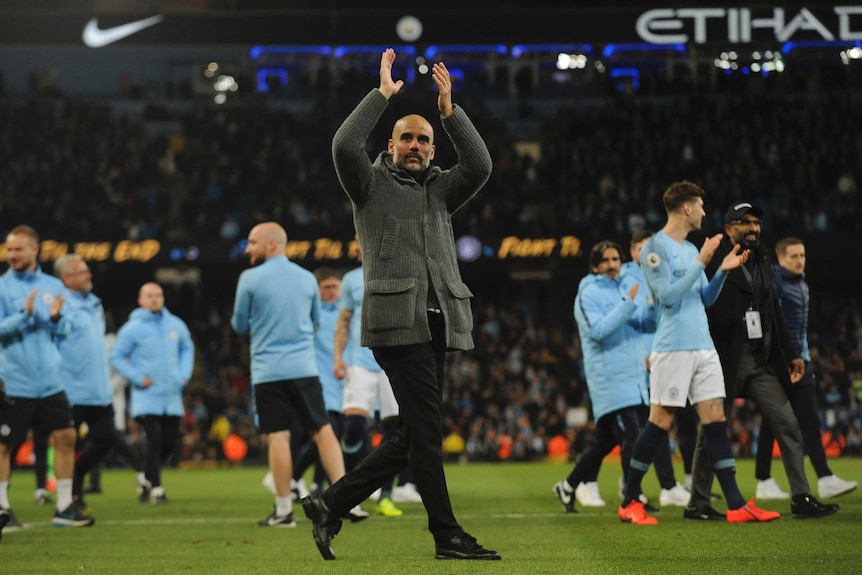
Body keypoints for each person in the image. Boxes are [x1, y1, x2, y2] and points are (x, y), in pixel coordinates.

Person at [301, 48, 499, 561]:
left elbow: (481, 164)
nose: (415, 145)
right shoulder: (369, 184)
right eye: (406, 138)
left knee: (413, 437)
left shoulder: (440, 189)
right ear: (390, 144)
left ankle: (329, 503)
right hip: (396, 325)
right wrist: (382, 95)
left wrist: (450, 113)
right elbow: (344, 144)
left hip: (437, 324)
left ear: (433, 149)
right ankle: (447, 535)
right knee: (426, 438)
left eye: (423, 139)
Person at [618, 181, 780, 525]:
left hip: (703, 346)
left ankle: (736, 505)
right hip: (673, 348)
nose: (706, 212)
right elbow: (667, 297)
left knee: (716, 421)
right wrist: (704, 260)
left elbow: (704, 298)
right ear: (687, 208)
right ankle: (630, 500)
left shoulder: (692, 249)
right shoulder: (655, 248)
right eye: (702, 206)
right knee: (660, 422)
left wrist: (721, 270)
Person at [686, 201, 839, 520]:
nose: (753, 228)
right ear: (729, 230)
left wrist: (792, 352)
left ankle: (801, 496)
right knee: (712, 430)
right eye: (745, 223)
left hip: (758, 361)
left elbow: (772, 311)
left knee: (786, 420)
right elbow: (705, 308)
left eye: (756, 222)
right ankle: (698, 501)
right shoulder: (715, 261)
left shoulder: (763, 259)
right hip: (723, 360)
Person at [232, 222, 347, 528]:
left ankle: (284, 511)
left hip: (268, 372)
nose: (248, 248)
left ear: (271, 245)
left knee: (279, 438)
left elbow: (239, 325)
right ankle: (348, 500)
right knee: (323, 431)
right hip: (305, 369)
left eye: (253, 242)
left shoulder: (249, 278)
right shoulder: (307, 279)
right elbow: (315, 322)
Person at [552, 240, 661, 513]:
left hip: (634, 377)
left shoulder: (626, 287)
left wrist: (649, 307)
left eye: (616, 259)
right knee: (633, 438)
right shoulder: (587, 294)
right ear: (595, 265)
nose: (613, 265)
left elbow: (644, 325)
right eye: (607, 260)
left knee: (605, 442)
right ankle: (632, 497)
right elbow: (599, 331)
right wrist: (628, 304)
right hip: (610, 378)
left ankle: (568, 486)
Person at [0, 225, 94, 527]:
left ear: (34, 250)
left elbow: (65, 330)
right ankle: (2, 508)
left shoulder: (54, 286)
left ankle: (65, 506)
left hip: (51, 381)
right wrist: (25, 316)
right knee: (4, 446)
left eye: (17, 249)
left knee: (66, 437)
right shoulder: (2, 287)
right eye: (9, 249)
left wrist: (55, 318)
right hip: (16, 380)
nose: (11, 255)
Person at [754, 237, 857, 500]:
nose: (800, 260)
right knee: (807, 420)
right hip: (786, 364)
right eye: (793, 256)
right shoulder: (775, 286)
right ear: (780, 259)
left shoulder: (801, 285)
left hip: (800, 359)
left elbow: (799, 329)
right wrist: (784, 360)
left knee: (773, 422)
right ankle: (823, 477)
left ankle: (764, 480)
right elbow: (772, 326)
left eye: (802, 255)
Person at [334, 240, 422, 517]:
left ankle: (384, 494)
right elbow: (344, 321)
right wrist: (338, 357)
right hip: (360, 362)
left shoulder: (394, 273)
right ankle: (355, 488)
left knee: (395, 429)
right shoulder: (349, 280)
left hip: (391, 362)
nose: (361, 250)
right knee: (353, 427)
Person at [54, 254, 145, 512]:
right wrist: (55, 318)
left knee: (105, 439)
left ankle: (78, 478)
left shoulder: (94, 304)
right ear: (67, 279)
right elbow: (57, 335)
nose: (89, 275)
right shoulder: (61, 304)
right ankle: (66, 497)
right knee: (66, 444)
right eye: (82, 272)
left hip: (98, 391)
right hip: (71, 390)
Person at [619, 231, 691, 508]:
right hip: (638, 362)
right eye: (640, 247)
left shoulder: (660, 273)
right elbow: (637, 319)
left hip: (659, 357)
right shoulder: (627, 278)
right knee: (642, 427)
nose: (646, 251)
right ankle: (631, 486)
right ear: (632, 251)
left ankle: (663, 485)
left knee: (658, 423)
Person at [109, 282, 194, 504]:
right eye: (149, 295)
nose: (154, 299)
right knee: (154, 441)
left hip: (172, 395)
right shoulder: (132, 328)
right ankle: (157, 488)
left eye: (158, 295)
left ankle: (146, 477)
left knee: (169, 444)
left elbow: (187, 348)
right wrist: (137, 378)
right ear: (140, 300)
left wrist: (184, 374)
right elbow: (116, 356)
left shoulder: (175, 324)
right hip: (146, 396)